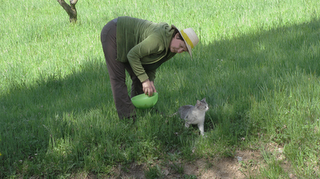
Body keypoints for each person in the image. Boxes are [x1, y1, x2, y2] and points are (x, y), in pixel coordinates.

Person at [100, 16, 199, 120]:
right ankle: (128, 119)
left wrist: (150, 81)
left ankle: (142, 110)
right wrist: (145, 80)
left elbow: (152, 63)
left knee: (141, 77)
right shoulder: (158, 39)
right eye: (181, 46)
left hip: (131, 45)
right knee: (118, 79)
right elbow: (132, 55)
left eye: (183, 50)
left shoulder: (172, 49)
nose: (179, 51)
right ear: (177, 35)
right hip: (115, 33)